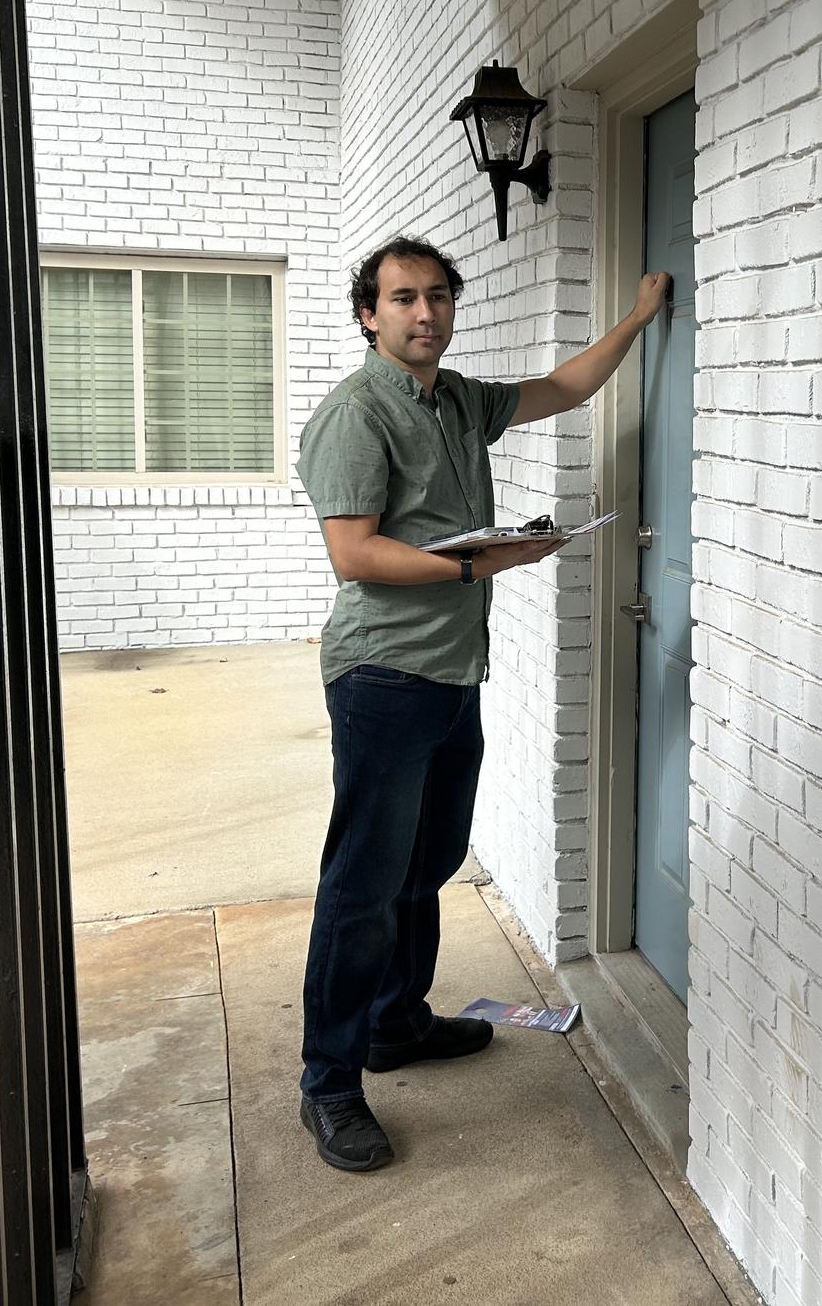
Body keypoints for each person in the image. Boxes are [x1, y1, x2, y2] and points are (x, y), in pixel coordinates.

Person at [295, 234, 669, 1171]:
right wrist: (481, 559)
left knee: (428, 859)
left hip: (454, 674)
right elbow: (356, 554)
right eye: (404, 299)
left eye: (438, 297)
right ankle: (329, 1085)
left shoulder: (458, 399)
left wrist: (637, 317)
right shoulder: (355, 415)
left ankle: (398, 1024)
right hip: (383, 676)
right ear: (369, 315)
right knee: (362, 887)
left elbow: (565, 389)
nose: (425, 314)